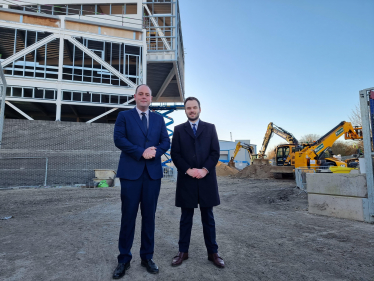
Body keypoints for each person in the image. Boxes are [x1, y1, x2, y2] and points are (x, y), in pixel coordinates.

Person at [112, 84, 170, 279]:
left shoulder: (159, 119)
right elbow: (119, 139)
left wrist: (154, 152)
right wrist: (141, 152)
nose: (144, 97)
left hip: (152, 175)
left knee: (149, 217)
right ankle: (124, 259)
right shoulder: (124, 117)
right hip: (130, 175)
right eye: (141, 94)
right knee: (128, 217)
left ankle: (147, 257)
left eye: (147, 94)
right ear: (135, 96)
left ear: (151, 98)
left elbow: (165, 142)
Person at [170, 97, 225, 268]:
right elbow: (175, 154)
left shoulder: (210, 128)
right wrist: (188, 170)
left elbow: (215, 152)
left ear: (199, 109)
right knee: (186, 218)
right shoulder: (178, 130)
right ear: (185, 110)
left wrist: (204, 170)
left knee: (208, 218)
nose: (191, 110)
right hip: (187, 179)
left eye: (194, 107)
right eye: (188, 108)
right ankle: (183, 252)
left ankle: (213, 253)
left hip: (206, 179)